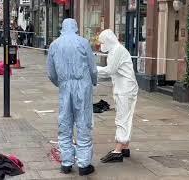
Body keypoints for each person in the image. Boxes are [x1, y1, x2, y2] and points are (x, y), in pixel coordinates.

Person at [47, 18, 97, 176]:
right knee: (83, 123)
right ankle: (83, 164)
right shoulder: (83, 42)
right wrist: (93, 82)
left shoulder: (54, 45)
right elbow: (93, 69)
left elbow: (51, 72)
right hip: (82, 85)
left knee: (65, 123)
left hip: (65, 86)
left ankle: (66, 162)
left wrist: (61, 83)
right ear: (75, 27)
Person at [97, 29, 138, 163]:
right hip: (124, 88)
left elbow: (109, 70)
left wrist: (92, 68)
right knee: (126, 116)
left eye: (102, 42)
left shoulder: (117, 50)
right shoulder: (115, 50)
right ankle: (124, 146)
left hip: (125, 90)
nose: (101, 45)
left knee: (122, 117)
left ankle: (118, 150)